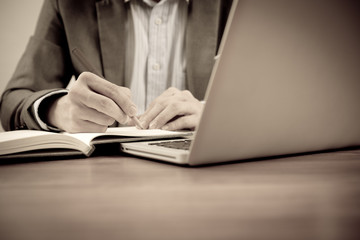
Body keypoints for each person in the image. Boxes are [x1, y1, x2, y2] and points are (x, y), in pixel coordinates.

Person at [0, 0, 232, 133]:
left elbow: (266, 104)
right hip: (103, 178)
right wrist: (59, 110)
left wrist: (214, 115)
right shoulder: (71, 4)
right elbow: (13, 102)